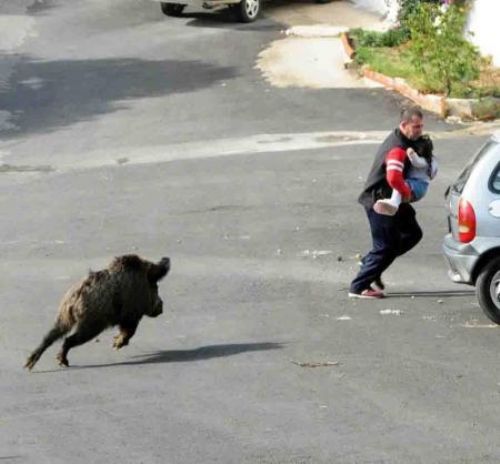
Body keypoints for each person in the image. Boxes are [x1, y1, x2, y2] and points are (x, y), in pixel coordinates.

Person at [348, 107, 430, 299]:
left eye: (421, 126)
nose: (419, 131)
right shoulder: (397, 147)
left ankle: (371, 263)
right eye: (415, 127)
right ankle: (358, 287)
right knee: (384, 246)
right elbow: (393, 177)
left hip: (395, 200)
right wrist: (407, 193)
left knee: (412, 233)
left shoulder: (407, 141)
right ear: (404, 125)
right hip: (380, 201)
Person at [373, 135, 438, 216]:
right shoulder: (434, 160)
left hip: (417, 185)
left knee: (401, 184)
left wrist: (411, 153)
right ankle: (392, 204)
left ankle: (394, 203)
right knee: (403, 190)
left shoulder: (423, 161)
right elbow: (433, 174)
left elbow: (416, 162)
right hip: (423, 186)